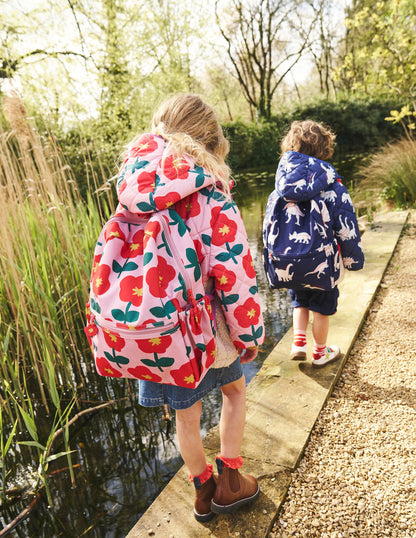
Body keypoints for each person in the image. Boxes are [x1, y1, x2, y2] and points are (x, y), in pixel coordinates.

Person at [114, 94, 265, 521]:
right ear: (211, 143)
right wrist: (248, 335)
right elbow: (234, 275)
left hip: (158, 330)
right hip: (207, 327)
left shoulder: (132, 192)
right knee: (235, 392)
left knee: (185, 414)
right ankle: (231, 482)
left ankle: (202, 489)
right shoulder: (211, 196)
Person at [265, 120, 364, 367]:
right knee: (322, 306)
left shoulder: (279, 189)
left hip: (288, 258)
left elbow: (267, 227)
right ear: (324, 149)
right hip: (323, 261)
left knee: (300, 301)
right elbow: (346, 225)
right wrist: (353, 260)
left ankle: (298, 343)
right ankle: (320, 352)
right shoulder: (332, 185)